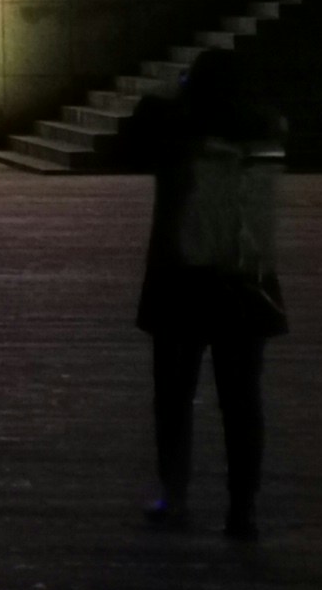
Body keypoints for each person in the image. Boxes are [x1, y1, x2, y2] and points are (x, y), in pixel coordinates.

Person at [114, 46, 288, 538]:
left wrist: (180, 93)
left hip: (180, 278)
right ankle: (242, 507)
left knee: (173, 395)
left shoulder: (174, 129)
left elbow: (135, 131)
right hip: (243, 278)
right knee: (241, 402)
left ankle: (174, 493)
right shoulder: (262, 128)